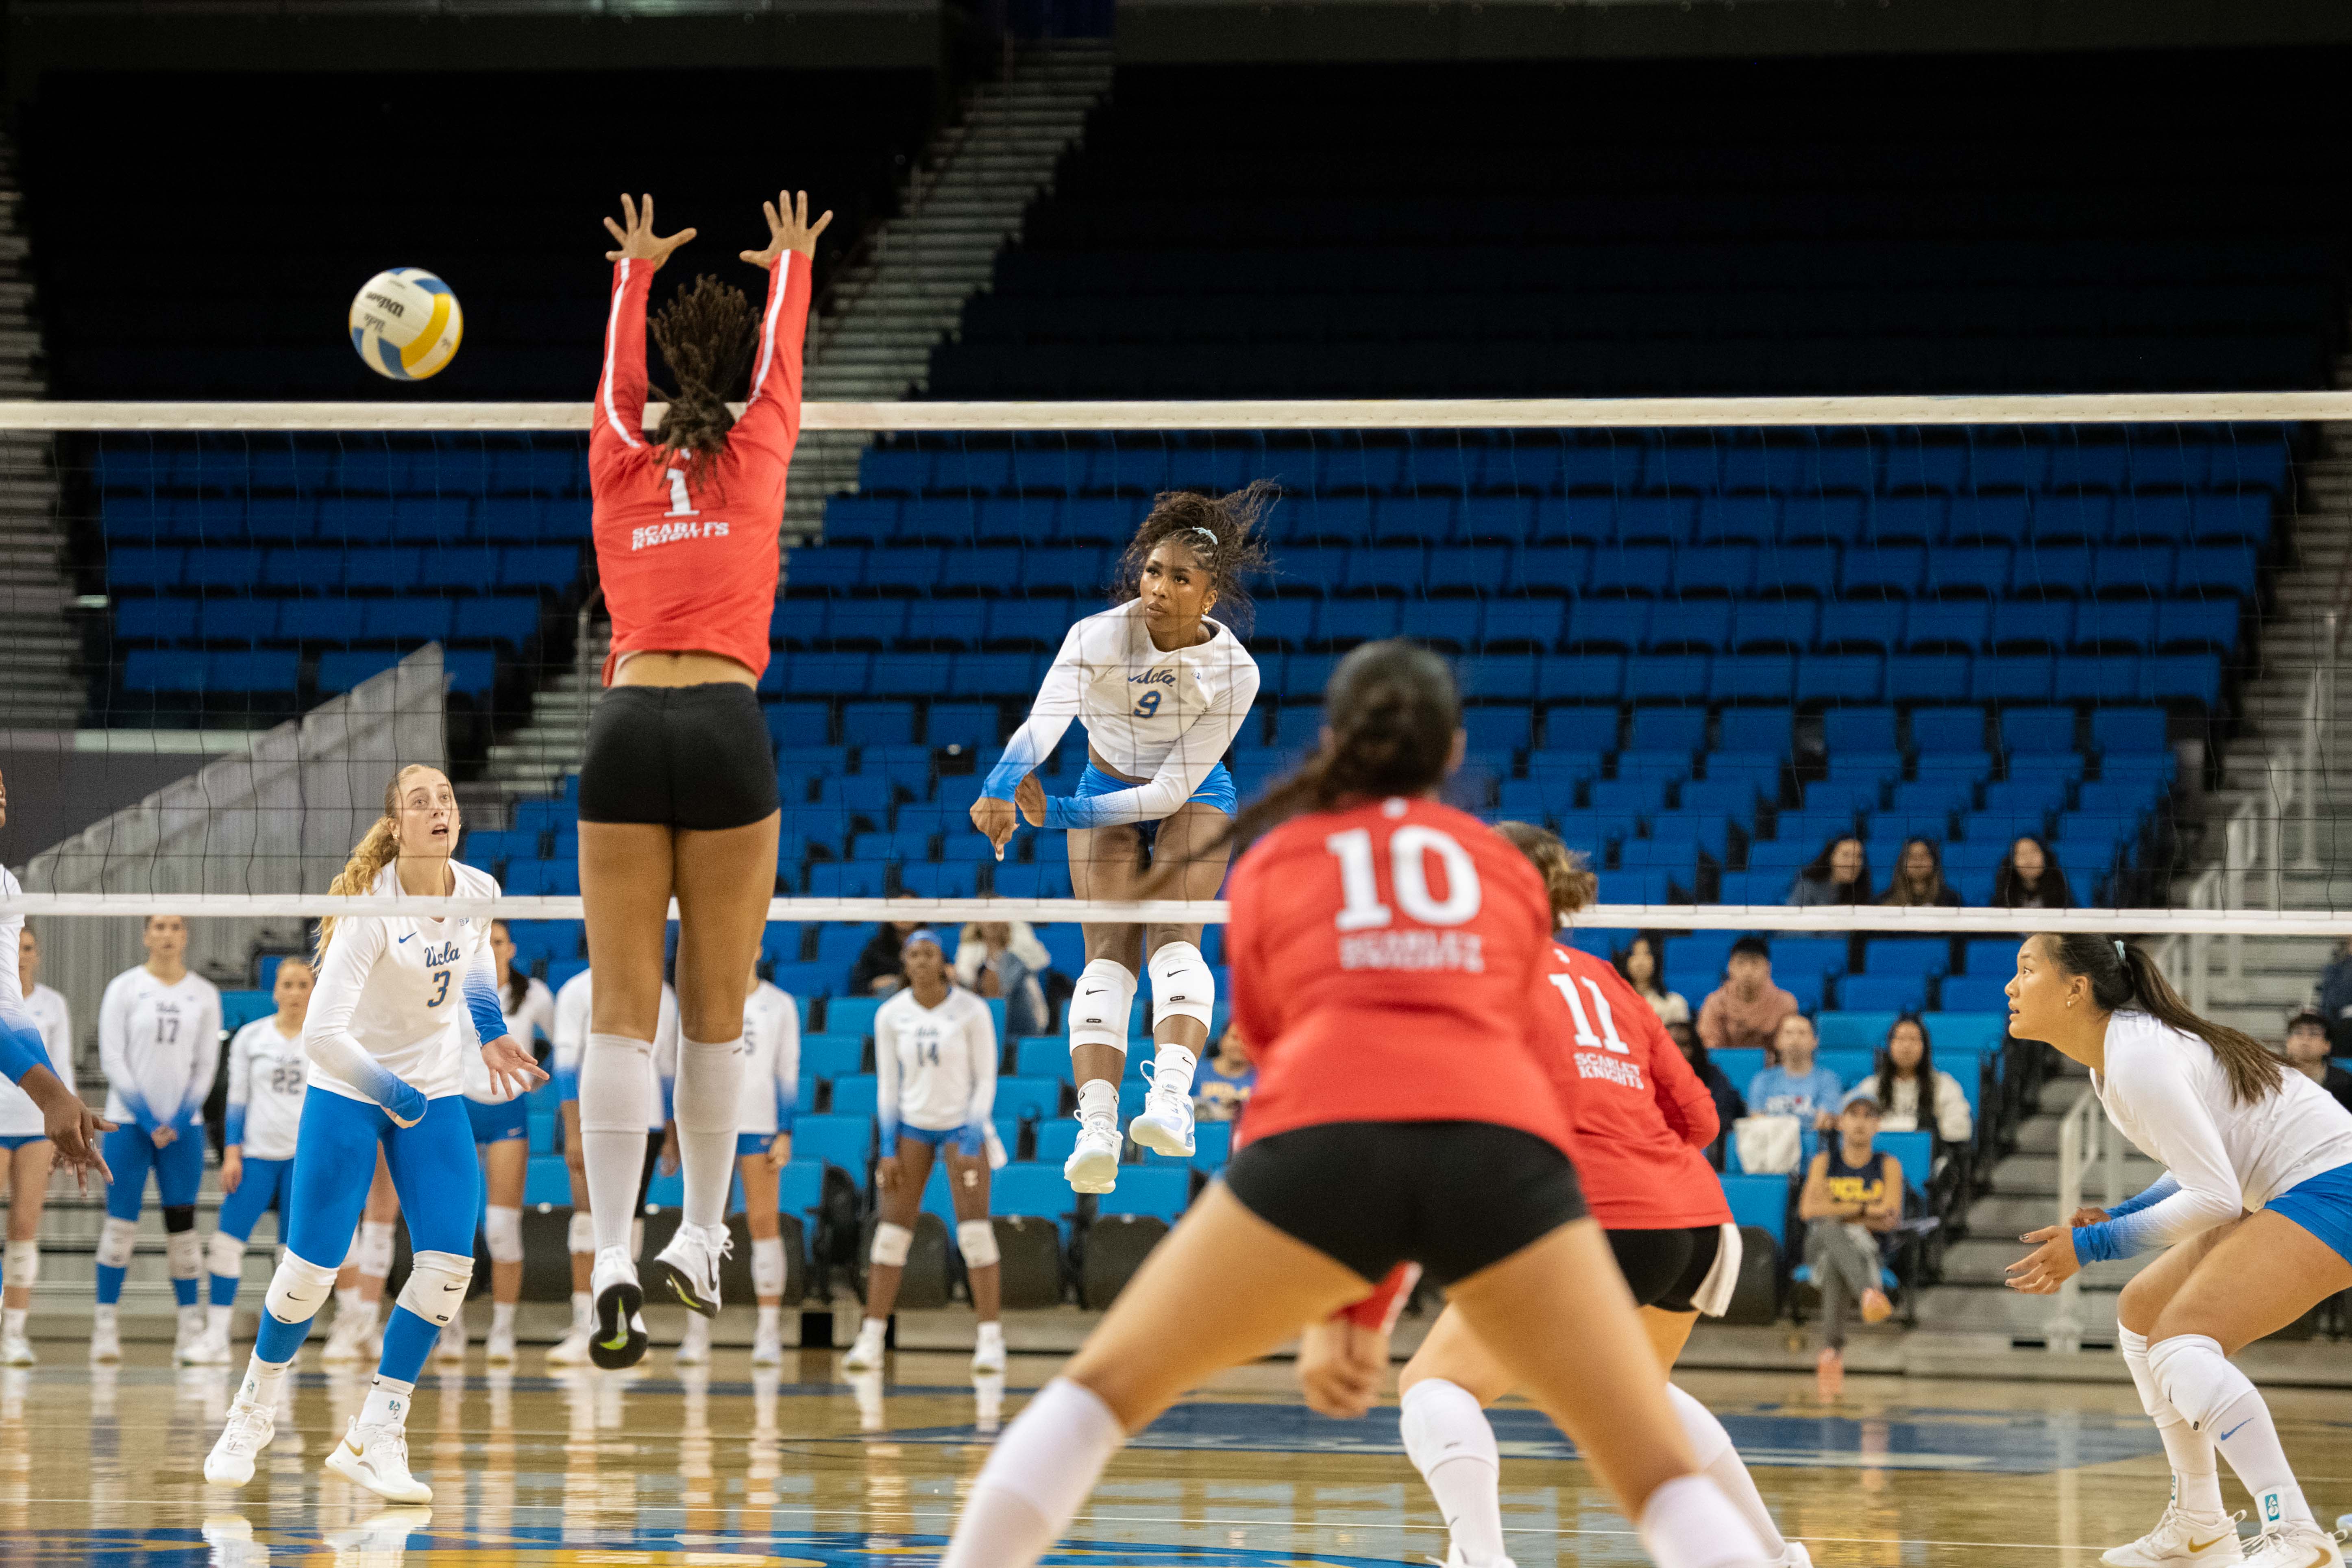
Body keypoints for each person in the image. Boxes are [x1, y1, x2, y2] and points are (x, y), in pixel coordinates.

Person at [932, 641, 1768, 1568]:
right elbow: (1451, 1079)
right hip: (1499, 1143)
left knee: (1101, 1392)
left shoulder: (1275, 857)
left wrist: (1346, 1312)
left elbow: (1287, 1056)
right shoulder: (1503, 876)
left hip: (1322, 1133)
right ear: (1450, 753)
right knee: (1650, 1465)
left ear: (1333, 738)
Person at [1318, 821, 1805, 1568]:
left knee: (1434, 1383)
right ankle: (1770, 1559)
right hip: (1699, 1221)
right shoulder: (1603, 977)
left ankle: (1481, 1561)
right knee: (1634, 1397)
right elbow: (1702, 1118)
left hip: (1593, 1216)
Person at [575, 187, 827, 1370]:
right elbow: (782, 363)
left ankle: (612, 1254)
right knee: (716, 1015)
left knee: (623, 1010)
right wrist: (789, 262)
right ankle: (703, 1234)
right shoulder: (759, 444)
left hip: (626, 720)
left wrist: (629, 274)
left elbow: (615, 388)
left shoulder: (622, 459)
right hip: (726, 721)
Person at [201, 762, 544, 1500]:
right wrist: (396, 1097)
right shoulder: (367, 906)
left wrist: (488, 1032)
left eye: (447, 797)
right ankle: (251, 1411)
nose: (440, 808)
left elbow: (477, 958)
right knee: (310, 1274)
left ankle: (376, 1432)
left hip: (435, 1084)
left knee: (450, 1267)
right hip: (349, 1087)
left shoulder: (478, 890)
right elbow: (321, 1037)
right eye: (421, 801)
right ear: (397, 826)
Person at [2004, 935, 2352, 1568]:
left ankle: (2298, 1533)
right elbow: (2205, 1163)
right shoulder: (2116, 1058)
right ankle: (2200, 1524)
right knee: (2141, 1314)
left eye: (2027, 971)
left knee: (2181, 1345)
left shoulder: (2138, 1058)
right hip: (2287, 1188)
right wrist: (2123, 1214)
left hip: (2332, 1188)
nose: (2011, 986)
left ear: (2076, 989)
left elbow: (2215, 1197)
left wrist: (2092, 1244)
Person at [969, 485, 1269, 1195]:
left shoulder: (1235, 671)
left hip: (1190, 793)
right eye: (1152, 570)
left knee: (1173, 933)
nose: (1158, 588)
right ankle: (1097, 1127)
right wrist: (1001, 782)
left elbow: (1168, 793)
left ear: (1210, 595)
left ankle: (1170, 1100)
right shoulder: (1096, 636)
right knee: (1105, 949)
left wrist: (1064, 815)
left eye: (1179, 578)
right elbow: (1043, 723)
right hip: (1104, 781)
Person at [842, 928, 1004, 1375]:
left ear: (942, 961)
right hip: (912, 1128)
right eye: (913, 954)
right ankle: (871, 1338)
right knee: (891, 1235)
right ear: (904, 961)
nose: (920, 961)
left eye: (928, 953)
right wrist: (888, 1147)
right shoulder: (892, 1014)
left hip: (961, 1128)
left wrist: (972, 1141)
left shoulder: (971, 1011)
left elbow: (986, 1078)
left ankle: (990, 1340)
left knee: (974, 1234)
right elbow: (887, 1085)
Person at [94, 912, 223, 1365]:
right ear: (147, 934)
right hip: (128, 1124)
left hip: (183, 1128)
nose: (167, 934)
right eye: (159, 927)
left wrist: (184, 1114)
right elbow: (112, 1058)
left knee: (183, 1230)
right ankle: (105, 1326)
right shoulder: (125, 988)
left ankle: (190, 1327)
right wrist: (148, 1118)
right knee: (120, 1228)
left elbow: (206, 1064)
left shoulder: (204, 994)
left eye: (175, 926)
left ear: (186, 935)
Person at [547, 962, 681, 1367]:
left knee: (631, 1223)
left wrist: (673, 1135)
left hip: (648, 1119)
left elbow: (669, 1069)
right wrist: (573, 1129)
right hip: (593, 1117)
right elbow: (565, 1064)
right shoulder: (577, 989)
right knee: (589, 1221)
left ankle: (622, 1323)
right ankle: (582, 1324)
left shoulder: (663, 992)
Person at [441, 919, 557, 1367]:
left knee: (502, 1229)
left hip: (508, 1113)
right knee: (456, 1228)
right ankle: (451, 1328)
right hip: (462, 1109)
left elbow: (562, 1042)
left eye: (499, 942)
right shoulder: (455, 990)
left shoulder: (535, 995)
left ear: (512, 948)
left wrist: (533, 1078)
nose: (492, 948)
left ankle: (503, 1331)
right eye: (485, 943)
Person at [193, 957, 318, 1366]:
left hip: (302, 1159)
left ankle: (284, 1344)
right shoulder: (251, 1037)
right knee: (226, 1246)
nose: (296, 992)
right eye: (289, 984)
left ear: (313, 990)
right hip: (257, 1156)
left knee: (291, 1256)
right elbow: (237, 1098)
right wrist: (232, 1152)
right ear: (276, 991)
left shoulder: (323, 1039)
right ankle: (215, 1336)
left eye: (304, 984)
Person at [677, 954, 799, 1367]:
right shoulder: (704, 998)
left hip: (759, 1122)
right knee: (702, 1226)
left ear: (760, 949)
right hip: (711, 1124)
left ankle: (768, 1333)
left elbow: (788, 1069)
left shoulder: (780, 1004)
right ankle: (696, 1332)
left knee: (765, 1224)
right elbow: (686, 1064)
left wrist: (786, 1129)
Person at [0, 772, 115, 1188]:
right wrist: (50, 1095)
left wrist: (63, 1099)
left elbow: (7, 1006)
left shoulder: (5, 883)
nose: (1, 791)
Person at [0, 923, 76, 1365]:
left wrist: (63, 1128)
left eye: (29, 949)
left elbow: (61, 1067)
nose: (21, 955)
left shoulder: (52, 1005)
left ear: (38, 955)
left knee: (25, 1226)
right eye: (15, 948)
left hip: (34, 1123)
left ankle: (14, 1331)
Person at [1797, 1091, 1903, 1396]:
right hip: (1818, 1244)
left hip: (1866, 1251)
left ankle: (1832, 1351)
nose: (1860, 1122)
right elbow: (1808, 1212)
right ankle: (1868, 1293)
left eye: (1868, 1116)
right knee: (1830, 1231)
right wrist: (1862, 1210)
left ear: (1878, 1125)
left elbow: (1890, 1218)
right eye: (1853, 1115)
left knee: (1835, 1258)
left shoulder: (1888, 1165)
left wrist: (1836, 1207)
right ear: (1841, 1122)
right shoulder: (1824, 1162)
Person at [1848, 1015, 1971, 1146]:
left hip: (1929, 1157)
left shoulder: (1943, 1084)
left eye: (1913, 1039)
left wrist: (1928, 1132)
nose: (1906, 1046)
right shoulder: (1872, 1086)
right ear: (1889, 1045)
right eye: (1900, 1039)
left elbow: (1962, 1128)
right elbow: (1846, 1117)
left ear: (1925, 1047)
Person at [1696, 937, 1799, 1053]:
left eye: (1755, 963)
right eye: (1741, 963)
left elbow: (1789, 1048)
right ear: (1730, 967)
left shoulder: (1785, 1003)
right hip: (1723, 1068)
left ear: (1768, 968)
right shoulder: (1715, 1002)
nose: (1748, 971)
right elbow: (1709, 1048)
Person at [954, 920, 1050, 1039]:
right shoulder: (977, 965)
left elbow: (1002, 996)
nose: (992, 923)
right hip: (986, 1030)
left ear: (1007, 925)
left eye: (997, 918)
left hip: (1018, 1031)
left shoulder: (1014, 961)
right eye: (987, 919)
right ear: (978, 925)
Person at [1746, 1014, 1842, 1132]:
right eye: (1789, 1033)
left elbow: (1823, 1123)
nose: (1795, 1039)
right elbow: (1757, 1120)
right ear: (1777, 1041)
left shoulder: (1828, 1080)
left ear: (1815, 1041)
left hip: (1813, 1148)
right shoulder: (1762, 1080)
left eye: (1802, 1033)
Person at [1671, 1021, 1745, 1170]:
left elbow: (1720, 1117)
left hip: (1702, 1146)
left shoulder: (1713, 1077)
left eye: (1684, 1045)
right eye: (1670, 1044)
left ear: (1696, 1049)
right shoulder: (1646, 1077)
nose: (1677, 1050)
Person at [2283, 1009, 2352, 1117]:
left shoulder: (2345, 1083)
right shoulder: (2274, 1080)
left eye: (2314, 1034)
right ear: (2288, 1043)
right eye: (2299, 1033)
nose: (2305, 1040)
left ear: (2327, 1046)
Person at [1616, 933, 1691, 1025]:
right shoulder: (1616, 1004)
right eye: (1634, 954)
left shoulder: (1674, 1004)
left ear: (1657, 960)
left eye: (1647, 954)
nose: (1640, 962)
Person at [1191, 1025, 1256, 1123]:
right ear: (1222, 1040)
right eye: (1235, 1038)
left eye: (1247, 1041)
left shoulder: (1263, 1078)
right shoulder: (1194, 1073)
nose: (1240, 1045)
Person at [1877, 836, 1962, 908]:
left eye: (1924, 856)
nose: (1918, 863)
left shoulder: (1951, 901)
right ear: (1902, 863)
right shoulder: (1884, 901)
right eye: (1912, 857)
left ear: (1934, 862)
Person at [1788, 834, 1870, 908]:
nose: (1853, 863)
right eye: (1846, 855)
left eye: (1859, 857)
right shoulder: (1807, 887)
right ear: (1831, 858)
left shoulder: (1861, 889)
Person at [1993, 834, 2072, 910]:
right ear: (2012, 862)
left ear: (2046, 856)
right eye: (2022, 854)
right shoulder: (2003, 895)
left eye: (2034, 852)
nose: (2029, 860)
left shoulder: (2061, 891)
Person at [850, 921, 921, 997]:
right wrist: (873, 984)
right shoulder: (876, 947)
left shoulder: (932, 946)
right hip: (884, 998)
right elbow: (860, 983)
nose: (903, 917)